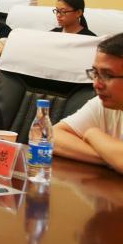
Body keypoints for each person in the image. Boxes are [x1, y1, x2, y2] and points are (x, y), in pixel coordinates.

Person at [53, 33, 123, 173]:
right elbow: (52, 136)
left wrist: (93, 134)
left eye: (107, 75)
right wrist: (111, 157)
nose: (96, 84)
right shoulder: (102, 104)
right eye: (95, 73)